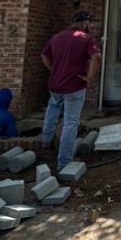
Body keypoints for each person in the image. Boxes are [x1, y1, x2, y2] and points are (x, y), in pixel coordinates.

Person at [40, 11, 101, 170]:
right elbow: (97, 57)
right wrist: (89, 77)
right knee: (70, 123)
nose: (90, 26)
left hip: (55, 85)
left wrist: (53, 69)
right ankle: (64, 162)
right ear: (85, 23)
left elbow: (44, 55)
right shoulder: (86, 38)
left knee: (52, 108)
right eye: (90, 22)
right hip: (74, 87)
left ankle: (45, 141)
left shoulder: (57, 37)